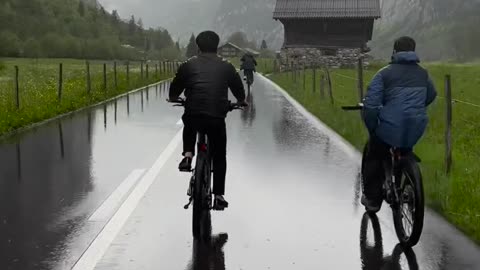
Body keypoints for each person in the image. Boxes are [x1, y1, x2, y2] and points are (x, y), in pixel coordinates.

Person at [169, 30, 247, 209]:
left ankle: (188, 156)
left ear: (198, 46)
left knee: (189, 119)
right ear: (217, 46)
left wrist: (174, 98)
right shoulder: (227, 66)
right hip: (216, 116)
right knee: (219, 154)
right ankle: (218, 195)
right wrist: (241, 102)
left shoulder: (188, 65)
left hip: (194, 112)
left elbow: (175, 88)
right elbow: (238, 89)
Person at [361, 36, 437, 213]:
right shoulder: (423, 73)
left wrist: (373, 128)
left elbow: (371, 106)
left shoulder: (384, 73)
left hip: (390, 127)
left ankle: (372, 199)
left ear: (394, 51)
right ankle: (406, 179)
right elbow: (431, 94)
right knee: (404, 148)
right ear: (413, 51)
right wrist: (416, 107)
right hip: (416, 127)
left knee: (374, 152)